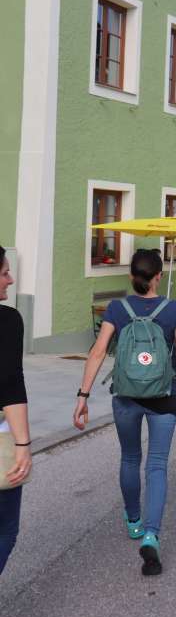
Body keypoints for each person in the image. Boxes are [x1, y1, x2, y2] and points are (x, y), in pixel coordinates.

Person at [73, 249, 176, 576]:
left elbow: (98, 351)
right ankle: (152, 534)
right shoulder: (174, 309)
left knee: (129, 458)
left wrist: (83, 395)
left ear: (131, 277)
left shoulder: (116, 308)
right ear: (158, 277)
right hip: (163, 397)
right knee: (157, 464)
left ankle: (134, 521)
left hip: (125, 396)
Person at [0, 245, 30, 575]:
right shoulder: (7, 320)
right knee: (5, 530)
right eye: (5, 272)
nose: (10, 279)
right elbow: (10, 383)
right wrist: (23, 444)